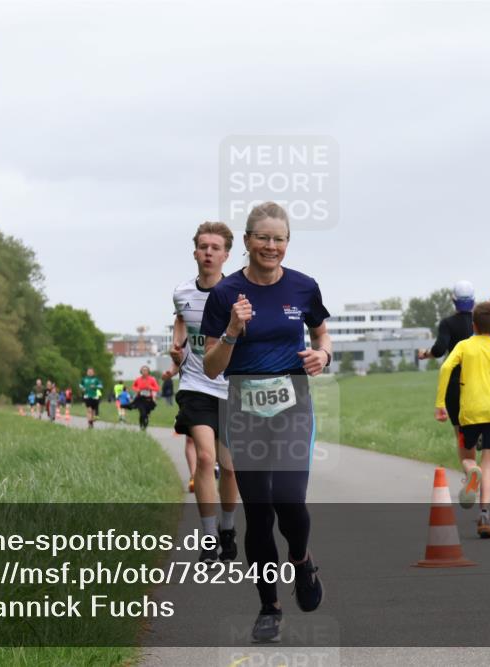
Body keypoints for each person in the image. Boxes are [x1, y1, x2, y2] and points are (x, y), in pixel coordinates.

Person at [201, 202, 331, 644]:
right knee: (258, 514)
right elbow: (213, 368)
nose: (271, 246)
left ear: (287, 243)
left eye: (279, 239)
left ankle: (301, 559)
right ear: (247, 241)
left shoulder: (304, 286)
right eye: (263, 238)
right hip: (244, 408)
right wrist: (235, 330)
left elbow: (321, 333)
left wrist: (323, 355)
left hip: (293, 402)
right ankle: (269, 606)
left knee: (290, 500)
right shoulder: (225, 295)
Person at [166, 220, 240, 564]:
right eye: (203, 247)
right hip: (196, 384)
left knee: (229, 466)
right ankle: (209, 538)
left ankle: (228, 528)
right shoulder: (182, 292)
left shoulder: (238, 295)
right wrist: (176, 346)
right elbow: (180, 319)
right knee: (206, 458)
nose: (208, 253)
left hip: (232, 387)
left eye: (216, 248)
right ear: (195, 251)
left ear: (226, 255)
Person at [435, 302, 490, 537]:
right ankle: (484, 516)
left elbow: (445, 369)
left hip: (469, 413)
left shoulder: (464, 346)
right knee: (489, 465)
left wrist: (440, 404)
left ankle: (470, 470)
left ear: (473, 324)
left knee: (467, 456)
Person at [419, 280, 478, 497]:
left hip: (456, 385)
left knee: (462, 433)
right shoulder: (482, 322)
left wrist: (425, 353)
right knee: (481, 425)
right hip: (482, 383)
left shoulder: (447, 324)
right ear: (474, 301)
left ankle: (471, 469)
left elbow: (440, 348)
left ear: (453, 300)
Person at [130, 366, 159, 430]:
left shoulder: (152, 379)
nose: (144, 372)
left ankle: (145, 423)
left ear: (148, 372)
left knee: (146, 413)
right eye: (143, 370)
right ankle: (141, 425)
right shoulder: (138, 379)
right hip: (140, 399)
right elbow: (133, 386)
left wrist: (151, 388)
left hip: (148, 399)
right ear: (141, 372)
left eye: (146, 370)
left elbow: (157, 388)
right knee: (142, 413)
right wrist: (137, 389)